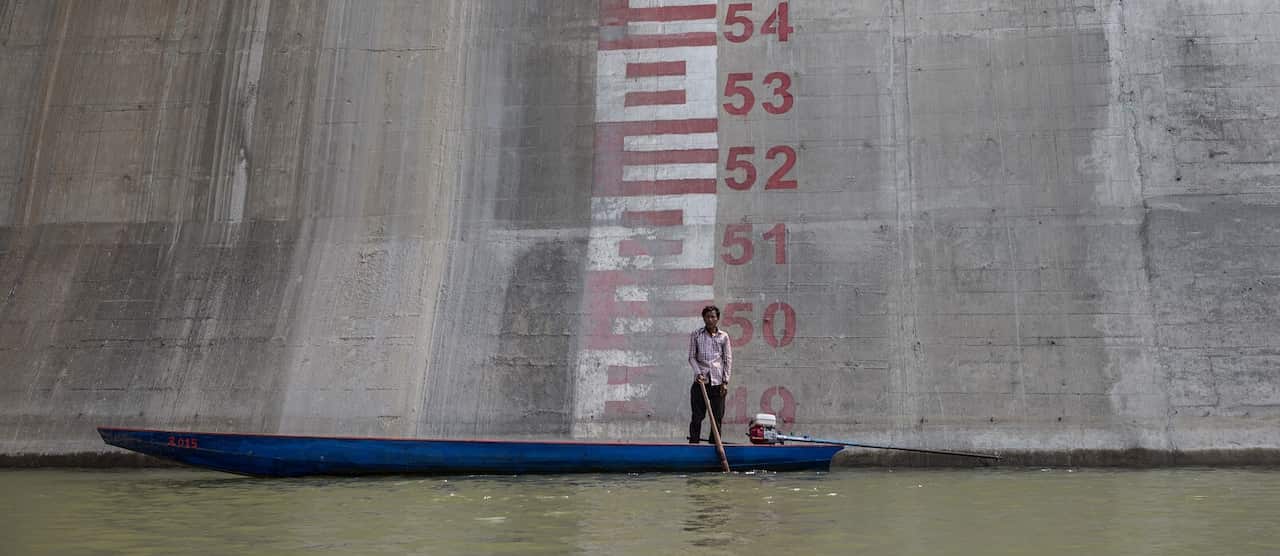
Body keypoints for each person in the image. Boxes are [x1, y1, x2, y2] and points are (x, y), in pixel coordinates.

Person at [688, 305, 732, 443]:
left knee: (717, 417)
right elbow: (691, 357)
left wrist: (725, 382)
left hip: (717, 383)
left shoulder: (723, 337)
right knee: (697, 416)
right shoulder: (696, 334)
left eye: (713, 317)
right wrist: (698, 373)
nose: (710, 319)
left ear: (717, 318)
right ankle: (694, 444)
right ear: (703, 318)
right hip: (701, 383)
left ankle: (714, 445)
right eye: (707, 316)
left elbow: (727, 359)